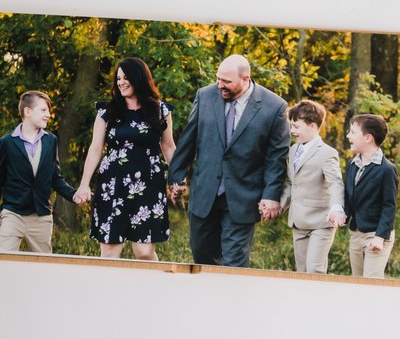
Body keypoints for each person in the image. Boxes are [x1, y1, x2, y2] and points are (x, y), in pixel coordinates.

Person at [168, 54, 290, 267]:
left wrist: (271, 195)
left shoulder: (274, 106)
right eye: (218, 79)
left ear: (245, 79)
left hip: (244, 196)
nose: (219, 85)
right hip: (204, 192)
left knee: (234, 264)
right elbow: (189, 138)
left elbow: (276, 157)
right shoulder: (205, 96)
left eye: (226, 81)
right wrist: (177, 176)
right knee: (202, 258)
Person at [75, 57, 176, 260]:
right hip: (113, 185)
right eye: (118, 78)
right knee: (110, 252)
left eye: (125, 78)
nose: (121, 82)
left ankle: (153, 282)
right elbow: (95, 148)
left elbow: (168, 146)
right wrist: (84, 184)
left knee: (144, 253)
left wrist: (177, 179)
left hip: (148, 184)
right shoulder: (106, 111)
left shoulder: (160, 111)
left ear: (139, 78)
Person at [0, 90, 81, 253]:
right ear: (27, 111)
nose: (48, 115)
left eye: (48, 111)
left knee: (43, 264)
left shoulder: (51, 140)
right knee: (4, 260)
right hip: (13, 214)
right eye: (43, 110)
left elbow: (55, 177)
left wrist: (73, 195)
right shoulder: (6, 142)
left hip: (41, 217)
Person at [279, 100, 345, 274]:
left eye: (296, 126)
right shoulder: (293, 150)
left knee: (314, 270)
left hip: (321, 222)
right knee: (301, 271)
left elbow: (335, 183)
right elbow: (292, 183)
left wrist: (337, 208)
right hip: (298, 221)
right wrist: (280, 205)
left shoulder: (327, 153)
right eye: (291, 126)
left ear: (313, 126)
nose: (292, 131)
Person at [345, 114, 398, 278]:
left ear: (368, 138)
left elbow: (389, 206)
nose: (348, 136)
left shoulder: (387, 169)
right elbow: (350, 197)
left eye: (353, 132)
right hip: (356, 233)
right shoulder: (352, 164)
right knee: (357, 281)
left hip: (376, 234)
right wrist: (341, 213)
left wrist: (380, 237)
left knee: (371, 282)